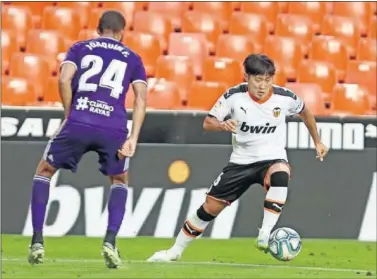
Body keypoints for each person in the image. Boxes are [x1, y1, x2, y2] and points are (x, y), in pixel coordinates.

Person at [147, 54, 329, 262]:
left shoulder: (284, 98)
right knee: (209, 209)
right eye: (258, 80)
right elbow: (208, 122)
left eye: (267, 80)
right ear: (246, 77)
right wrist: (222, 125)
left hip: (272, 158)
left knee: (281, 173)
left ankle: (265, 233)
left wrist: (318, 141)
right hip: (241, 163)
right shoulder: (233, 97)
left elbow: (305, 112)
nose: (263, 86)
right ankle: (175, 251)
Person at [28, 11, 147, 269]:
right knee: (119, 179)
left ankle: (37, 240)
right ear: (122, 32)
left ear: (98, 28)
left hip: (79, 121)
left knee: (45, 170)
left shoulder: (80, 48)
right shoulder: (133, 58)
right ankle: (110, 241)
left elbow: (63, 79)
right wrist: (134, 138)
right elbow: (140, 98)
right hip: (113, 128)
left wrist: (70, 115)